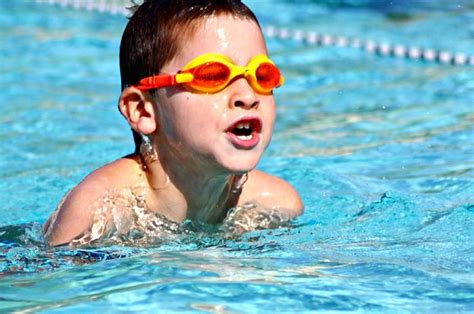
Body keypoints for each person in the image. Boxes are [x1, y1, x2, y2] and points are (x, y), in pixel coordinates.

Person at [44, 0, 303, 246]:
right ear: (143, 110)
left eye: (262, 75)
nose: (247, 97)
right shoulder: (98, 210)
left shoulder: (277, 205)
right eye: (212, 75)